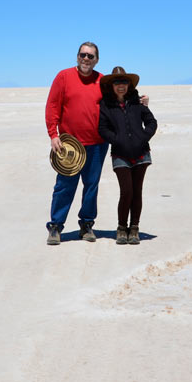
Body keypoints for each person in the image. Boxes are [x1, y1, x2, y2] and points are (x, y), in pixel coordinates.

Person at [45, 42, 109, 245]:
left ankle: (87, 224)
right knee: (64, 186)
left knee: (91, 186)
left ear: (97, 59)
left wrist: (139, 101)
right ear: (77, 56)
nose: (86, 59)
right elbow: (53, 105)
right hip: (69, 145)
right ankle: (56, 226)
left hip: (97, 144)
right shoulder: (64, 76)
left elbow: (119, 100)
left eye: (91, 56)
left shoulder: (102, 81)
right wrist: (53, 134)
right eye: (83, 55)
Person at [97, 67, 157, 245]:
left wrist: (143, 137)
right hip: (120, 154)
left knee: (137, 192)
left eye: (123, 82)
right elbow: (102, 128)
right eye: (117, 82)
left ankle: (135, 228)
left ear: (129, 85)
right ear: (112, 86)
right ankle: (122, 228)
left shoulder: (137, 103)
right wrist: (117, 140)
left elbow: (151, 122)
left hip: (141, 154)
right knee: (126, 192)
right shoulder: (106, 105)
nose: (120, 86)